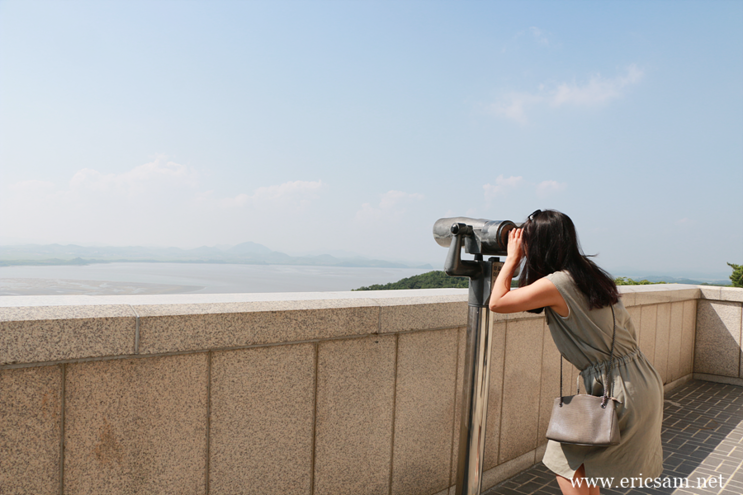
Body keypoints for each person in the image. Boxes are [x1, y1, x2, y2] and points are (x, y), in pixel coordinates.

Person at [488, 209, 664, 495]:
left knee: (566, 463)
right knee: (582, 471)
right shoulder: (587, 274)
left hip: (619, 388)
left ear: (539, 245)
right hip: (639, 379)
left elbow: (497, 302)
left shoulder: (557, 283)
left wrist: (512, 259)